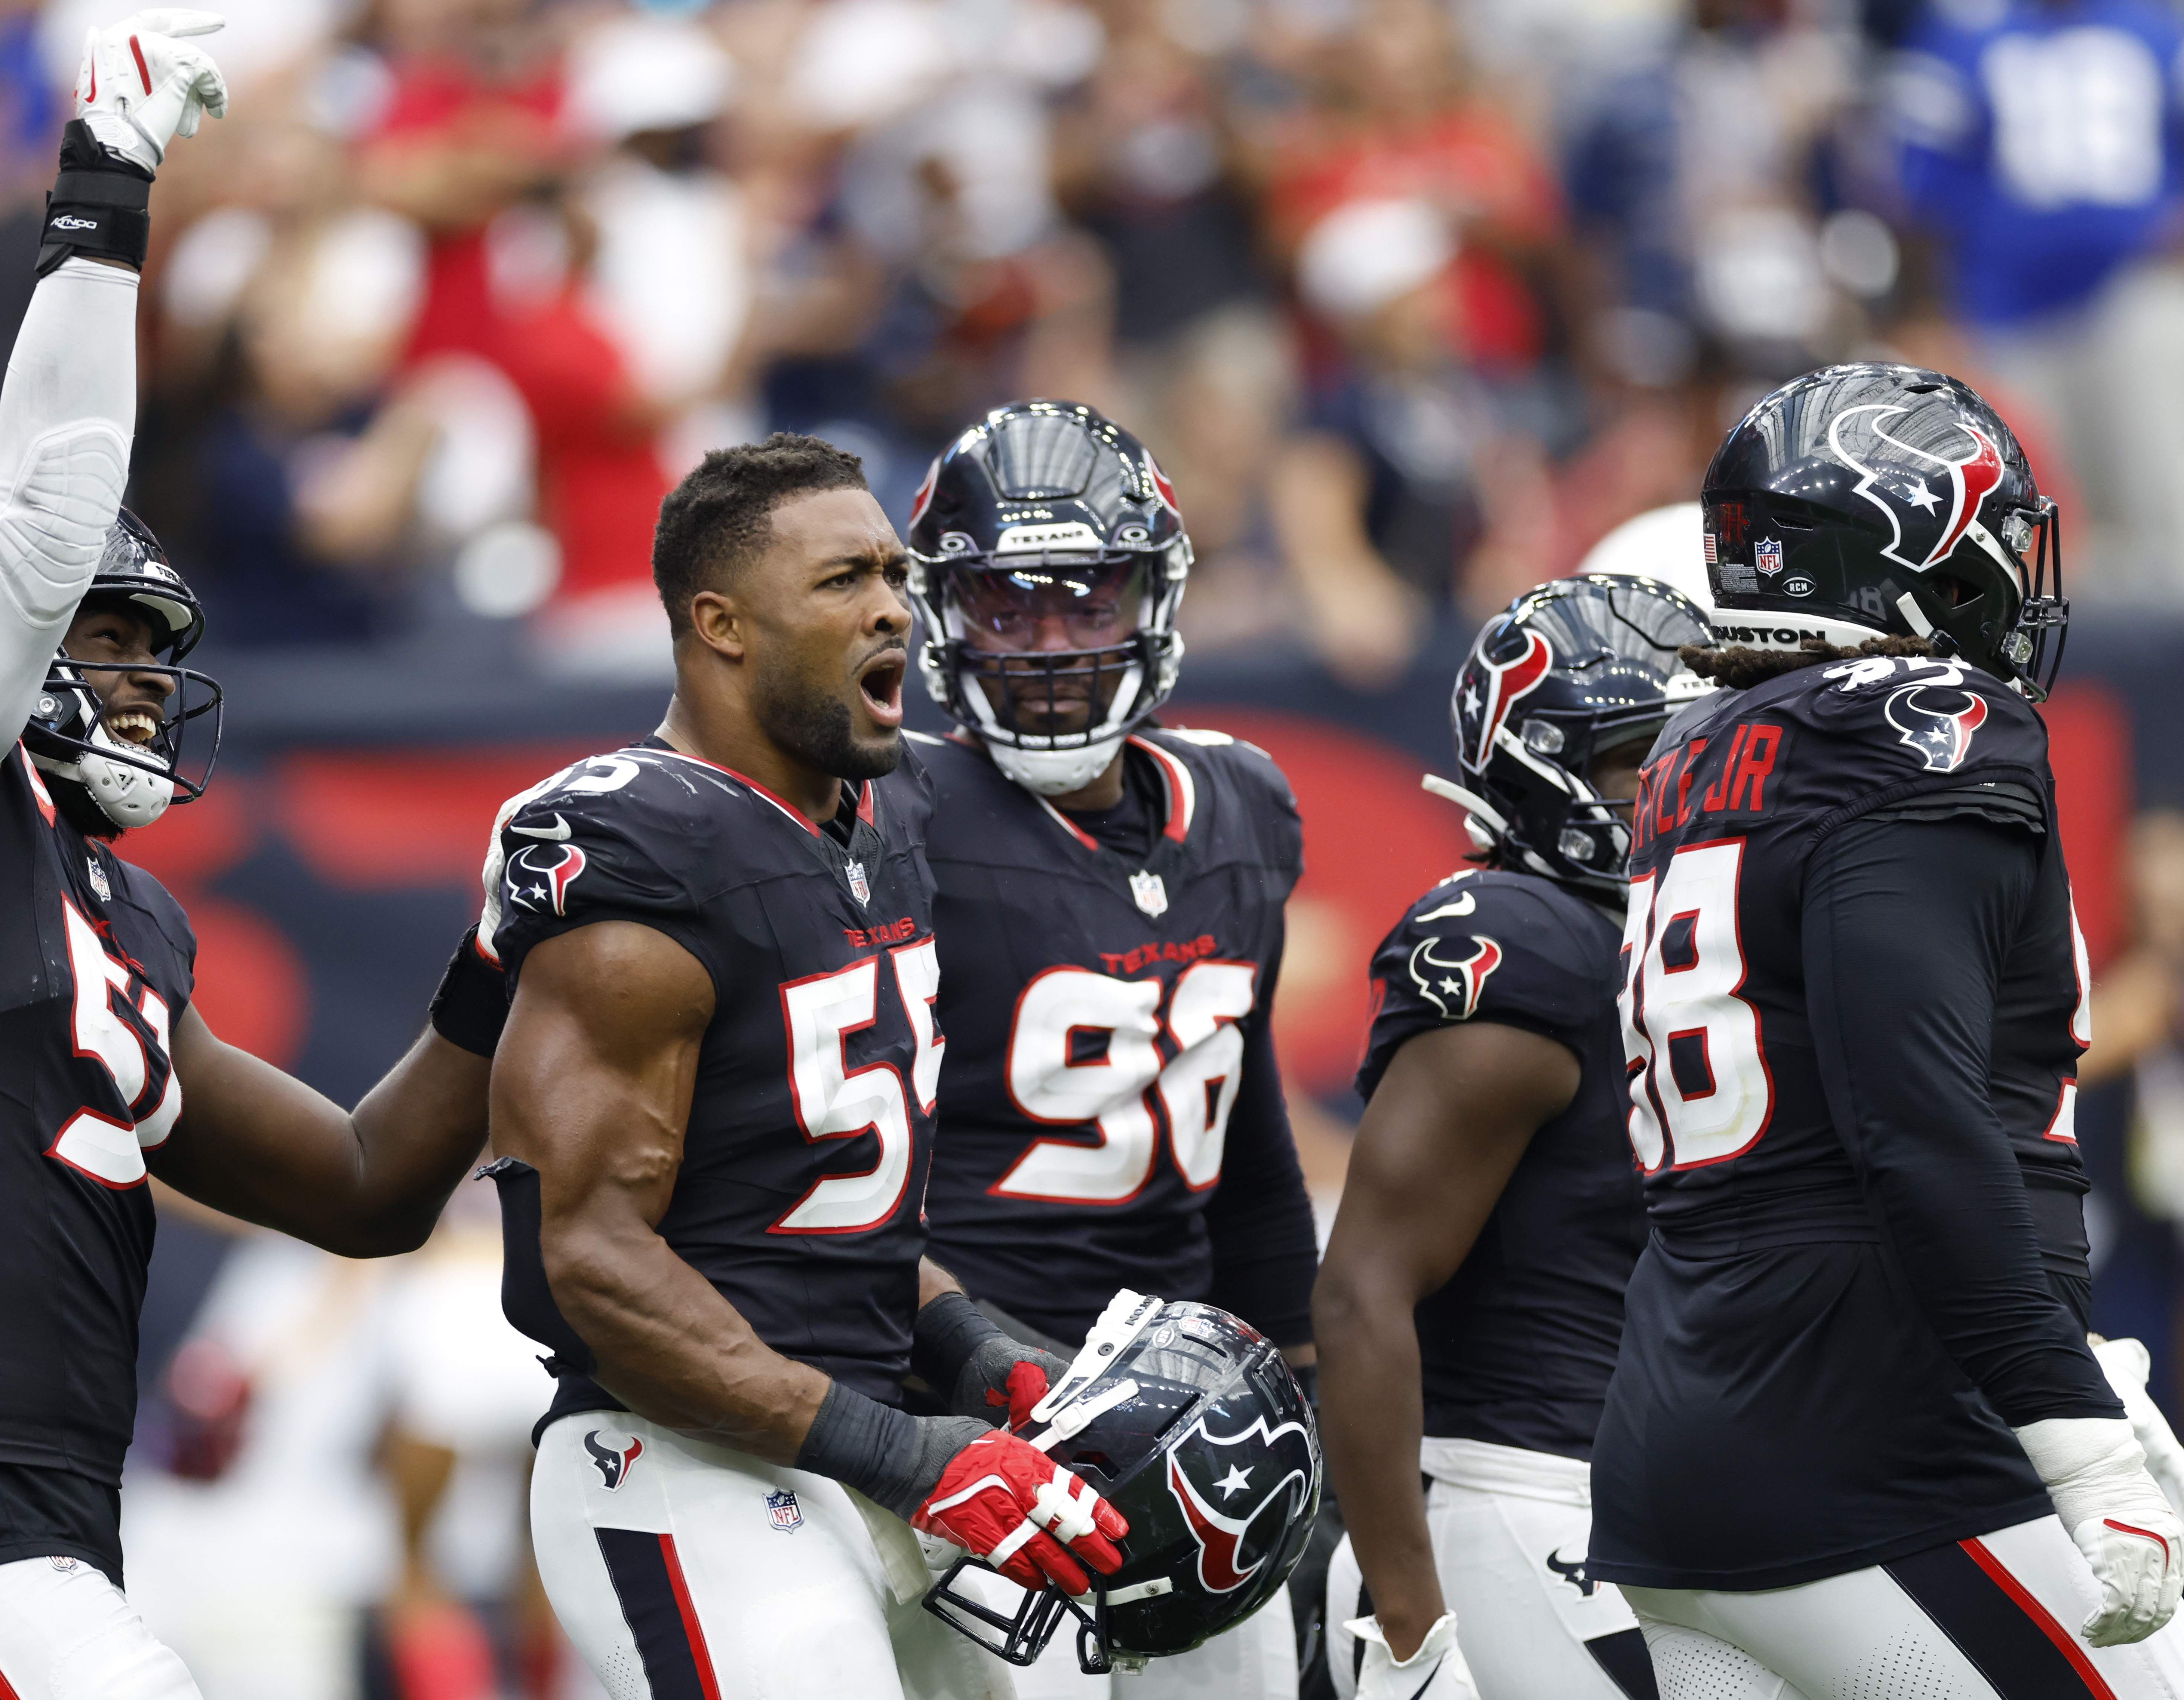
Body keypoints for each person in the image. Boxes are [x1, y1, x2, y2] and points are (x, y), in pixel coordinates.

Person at [0, 16, 506, 1693]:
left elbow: (369, 1192)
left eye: (157, 647)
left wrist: (505, 954)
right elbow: (44, 520)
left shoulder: (110, 914)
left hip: (30, 1534)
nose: (145, 681)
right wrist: (105, 187)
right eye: (108, 638)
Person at [475, 433, 1133, 1700]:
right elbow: (587, 1263)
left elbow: (826, 1207)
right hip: (686, 1459)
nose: (894, 604)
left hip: (876, 1436)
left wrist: (979, 1348)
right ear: (719, 624)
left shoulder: (874, 827)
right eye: (844, 580)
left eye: (894, 573)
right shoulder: (639, 847)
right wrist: (909, 1450)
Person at [1592, 361, 2184, 1694]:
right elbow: (1914, 1129)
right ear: (1903, 554)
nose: (2014, 580)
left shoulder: (1698, 754)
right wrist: (2071, 1428)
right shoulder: (1932, 733)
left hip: (1681, 1450)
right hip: (1890, 1439)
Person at [899, 398, 1317, 1698]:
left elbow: (1249, 1154)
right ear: (942, 615)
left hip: (1195, 1422)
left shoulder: (1242, 803)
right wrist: (970, 1353)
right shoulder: (893, 817)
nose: (1050, 645)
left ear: (1157, 595)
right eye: (1007, 606)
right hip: (970, 1406)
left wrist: (1301, 1384)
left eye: (1089, 598)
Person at [1316, 572, 1711, 1700]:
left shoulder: (1702, 939)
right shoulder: (1522, 940)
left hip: (1671, 1497)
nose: (1675, 787)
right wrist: (1410, 1630)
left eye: (1695, 752)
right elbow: (1360, 1292)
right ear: (1543, 766)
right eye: (1639, 757)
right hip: (1522, 1494)